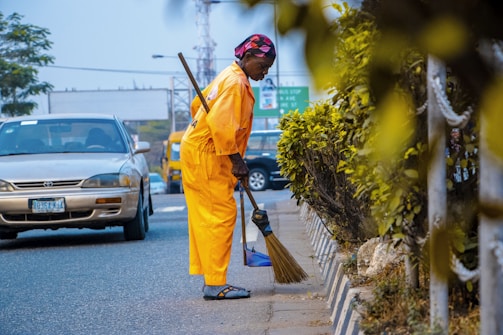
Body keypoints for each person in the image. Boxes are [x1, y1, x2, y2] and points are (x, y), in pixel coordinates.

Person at [180, 34, 276, 300]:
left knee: (207, 215)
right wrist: (237, 162)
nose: (265, 72)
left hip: (199, 149)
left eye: (269, 67)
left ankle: (211, 278)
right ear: (247, 58)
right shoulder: (235, 82)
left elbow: (197, 105)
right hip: (207, 154)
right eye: (262, 65)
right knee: (219, 214)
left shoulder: (230, 75)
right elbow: (221, 124)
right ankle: (215, 284)